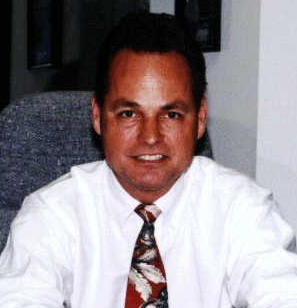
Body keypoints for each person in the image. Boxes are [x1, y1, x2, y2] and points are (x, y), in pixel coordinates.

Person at [0, 11, 297, 308]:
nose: (151, 136)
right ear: (97, 117)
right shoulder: (52, 214)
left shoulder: (242, 208)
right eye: (129, 113)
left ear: (201, 119)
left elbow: (282, 294)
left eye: (171, 114)